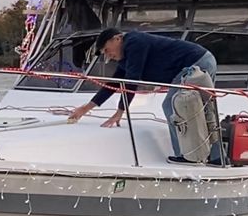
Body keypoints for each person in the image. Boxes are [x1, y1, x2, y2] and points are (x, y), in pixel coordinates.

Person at [67, 28, 221, 164]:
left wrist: (121, 110)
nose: (108, 56)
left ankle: (185, 156)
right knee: (204, 109)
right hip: (202, 60)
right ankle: (216, 157)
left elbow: (132, 79)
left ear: (117, 38)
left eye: (107, 50)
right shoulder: (124, 59)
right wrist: (85, 109)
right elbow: (114, 84)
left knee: (172, 105)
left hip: (194, 63)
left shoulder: (134, 42)